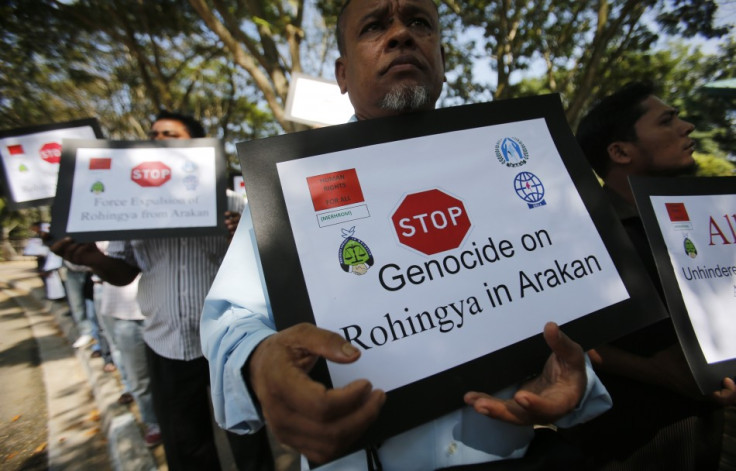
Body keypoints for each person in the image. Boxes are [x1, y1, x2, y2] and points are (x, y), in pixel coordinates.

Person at [201, 1, 613, 470]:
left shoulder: (507, 165)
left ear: (442, 60)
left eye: (420, 23)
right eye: (375, 27)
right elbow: (231, 322)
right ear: (341, 73)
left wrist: (569, 379)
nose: (401, 34)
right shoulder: (289, 189)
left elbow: (560, 303)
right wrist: (260, 362)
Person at [51, 111, 273, 471]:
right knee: (187, 445)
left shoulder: (233, 203)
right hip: (166, 343)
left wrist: (240, 236)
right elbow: (123, 274)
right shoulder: (130, 206)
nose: (157, 141)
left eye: (169, 134)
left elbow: (267, 263)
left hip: (228, 342)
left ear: (198, 146)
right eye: (153, 135)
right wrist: (93, 259)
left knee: (249, 437)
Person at [568, 81, 736, 469]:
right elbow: (556, 333)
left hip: (705, 436)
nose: (688, 127)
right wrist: (652, 370)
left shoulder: (707, 222)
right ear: (620, 151)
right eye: (667, 121)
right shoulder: (579, 233)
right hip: (624, 445)